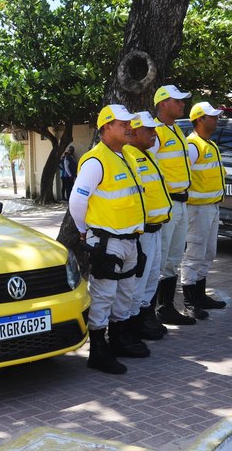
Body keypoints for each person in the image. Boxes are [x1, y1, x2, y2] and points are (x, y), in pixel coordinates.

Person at [69, 104, 147, 375]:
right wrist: (82, 229)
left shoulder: (125, 155)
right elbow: (77, 200)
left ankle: (119, 340)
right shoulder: (96, 160)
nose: (129, 127)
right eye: (123, 123)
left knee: (125, 293)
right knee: (104, 295)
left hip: (128, 239)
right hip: (107, 241)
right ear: (106, 127)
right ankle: (98, 351)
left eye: (130, 122)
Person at [150, 85, 197, 326]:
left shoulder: (176, 130)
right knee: (160, 258)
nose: (182, 104)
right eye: (177, 100)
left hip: (181, 202)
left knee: (174, 257)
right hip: (166, 205)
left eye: (182, 100)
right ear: (162, 104)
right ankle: (152, 312)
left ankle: (166, 307)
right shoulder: (156, 133)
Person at [124, 112, 173, 340]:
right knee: (138, 282)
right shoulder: (129, 157)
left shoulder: (147, 155)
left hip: (156, 229)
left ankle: (146, 318)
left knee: (152, 277)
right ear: (134, 131)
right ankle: (134, 326)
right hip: (141, 232)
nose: (154, 133)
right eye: (149, 130)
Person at [182, 102, 228, 320]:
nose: (216, 119)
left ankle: (200, 296)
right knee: (194, 254)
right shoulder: (192, 146)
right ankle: (190, 301)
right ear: (199, 119)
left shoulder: (209, 144)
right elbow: (183, 178)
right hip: (197, 210)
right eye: (212, 116)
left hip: (211, 207)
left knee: (208, 253)